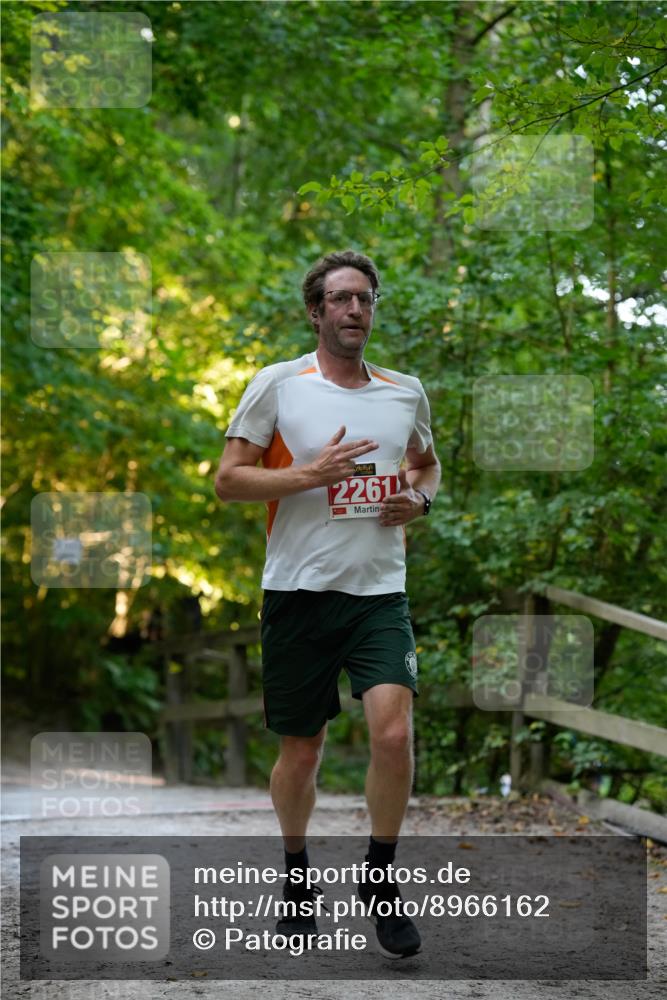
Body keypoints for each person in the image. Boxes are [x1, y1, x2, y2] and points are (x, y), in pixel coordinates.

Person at [215, 249, 440, 959]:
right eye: (341, 299)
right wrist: (310, 475)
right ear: (316, 312)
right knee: (302, 749)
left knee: (393, 735)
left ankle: (379, 876)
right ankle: (295, 874)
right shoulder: (278, 385)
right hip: (297, 592)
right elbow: (228, 480)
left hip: (378, 593)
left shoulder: (404, 392)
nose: (355, 310)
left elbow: (426, 465)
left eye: (365, 298)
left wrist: (419, 501)